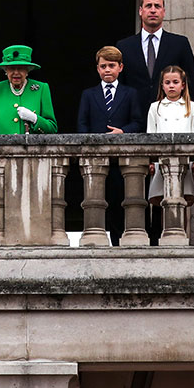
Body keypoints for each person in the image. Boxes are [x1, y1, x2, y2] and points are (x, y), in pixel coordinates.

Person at [78, 46, 144, 245]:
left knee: (119, 200)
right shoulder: (88, 94)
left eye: (112, 66)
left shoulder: (130, 93)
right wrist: (89, 145)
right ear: (97, 69)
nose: (107, 70)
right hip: (95, 158)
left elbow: (138, 122)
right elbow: (82, 123)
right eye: (103, 66)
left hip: (121, 158)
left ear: (120, 68)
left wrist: (122, 132)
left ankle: (117, 242)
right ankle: (95, 241)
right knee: (95, 200)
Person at [0, 45, 58, 215]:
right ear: (5, 70)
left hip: (33, 163)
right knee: (2, 211)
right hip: (1, 164)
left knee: (32, 213)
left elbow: (52, 128)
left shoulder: (41, 89)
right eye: (11, 68)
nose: (16, 73)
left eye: (21, 68)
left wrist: (35, 119)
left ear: (28, 70)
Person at [117, 0, 194, 125]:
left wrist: (192, 112)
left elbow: (190, 82)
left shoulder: (180, 44)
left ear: (164, 12)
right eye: (149, 6)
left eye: (157, 6)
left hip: (171, 120)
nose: (153, 10)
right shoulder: (124, 46)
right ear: (140, 11)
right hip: (134, 120)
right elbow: (120, 85)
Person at [146, 65, 194, 244]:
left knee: (183, 199)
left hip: (184, 161)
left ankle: (184, 237)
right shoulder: (155, 107)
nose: (171, 86)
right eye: (167, 82)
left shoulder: (191, 107)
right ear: (162, 85)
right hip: (162, 162)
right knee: (163, 200)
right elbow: (150, 135)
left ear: (183, 85)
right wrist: (152, 161)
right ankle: (165, 236)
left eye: (175, 82)